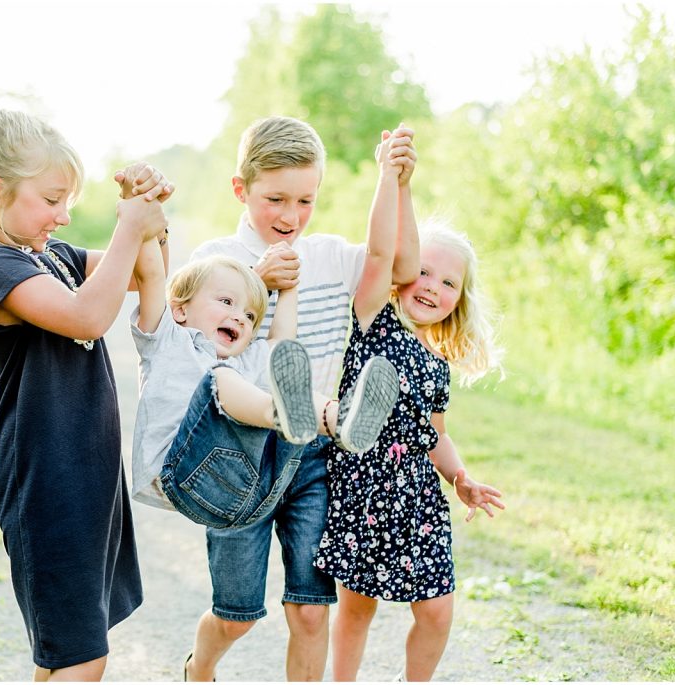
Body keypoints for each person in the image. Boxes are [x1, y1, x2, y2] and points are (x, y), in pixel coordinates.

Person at [0, 109, 172, 682]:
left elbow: (144, 275)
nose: (63, 215)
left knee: (67, 651)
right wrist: (128, 229)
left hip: (86, 474)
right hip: (46, 480)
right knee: (81, 658)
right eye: (51, 199)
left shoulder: (54, 256)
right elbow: (88, 316)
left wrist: (149, 219)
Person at [183, 116, 419, 681]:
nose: (290, 217)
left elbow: (400, 266)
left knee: (311, 613)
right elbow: (199, 358)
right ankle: (200, 668)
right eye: (275, 199)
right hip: (238, 455)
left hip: (311, 456)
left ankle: (333, 416)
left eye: (305, 200)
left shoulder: (330, 258)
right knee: (236, 615)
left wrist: (397, 182)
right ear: (241, 190)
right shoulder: (217, 257)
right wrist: (258, 282)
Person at [314, 131, 505, 682]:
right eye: (424, 271)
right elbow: (383, 250)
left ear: (458, 300)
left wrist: (461, 477)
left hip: (419, 496)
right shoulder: (373, 319)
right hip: (362, 485)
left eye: (449, 283)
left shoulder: (436, 360)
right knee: (357, 608)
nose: (433, 287)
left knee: (438, 608)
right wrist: (397, 183)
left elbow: (435, 433)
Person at [129, 248, 400, 529]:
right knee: (221, 379)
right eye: (226, 301)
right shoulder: (166, 338)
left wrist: (289, 288)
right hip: (177, 473)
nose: (240, 318)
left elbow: (281, 340)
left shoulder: (243, 360)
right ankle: (281, 413)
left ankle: (339, 419)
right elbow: (150, 273)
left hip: (246, 494)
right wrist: (148, 214)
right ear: (180, 309)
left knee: (281, 378)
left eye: (249, 316)